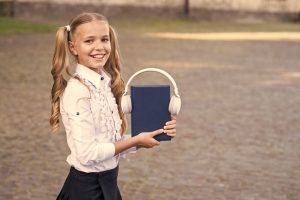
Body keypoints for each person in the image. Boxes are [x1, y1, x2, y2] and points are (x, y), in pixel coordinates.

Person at [50, 12, 177, 200]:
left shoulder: (105, 84)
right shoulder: (79, 91)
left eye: (104, 39)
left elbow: (109, 143)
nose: (99, 47)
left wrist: (152, 134)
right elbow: (88, 154)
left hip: (108, 186)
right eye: (89, 41)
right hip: (85, 191)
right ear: (73, 47)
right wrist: (135, 141)